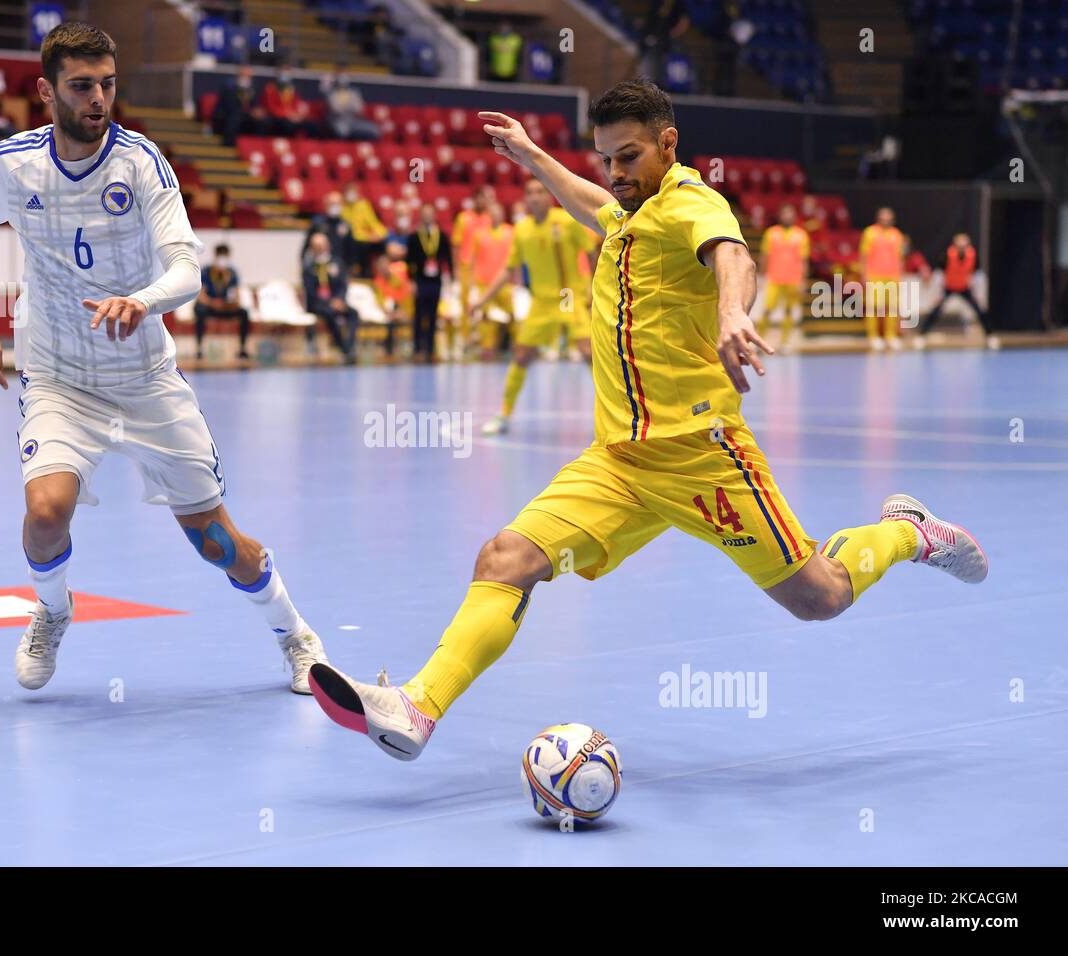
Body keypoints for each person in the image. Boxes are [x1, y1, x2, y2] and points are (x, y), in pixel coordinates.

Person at [305, 82, 988, 761]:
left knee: (820, 598)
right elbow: (595, 204)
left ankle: (907, 533)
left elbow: (732, 253)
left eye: (629, 156)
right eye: (606, 158)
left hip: (702, 457)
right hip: (620, 462)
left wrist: (731, 311)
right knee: (506, 559)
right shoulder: (627, 211)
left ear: (669, 143)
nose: (616, 172)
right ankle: (419, 706)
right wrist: (533, 156)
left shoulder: (693, 202)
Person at [0, 22, 327, 693]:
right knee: (44, 515)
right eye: (82, 86)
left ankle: (296, 636)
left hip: (144, 377)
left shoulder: (142, 162)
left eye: (107, 84)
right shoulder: (11, 165)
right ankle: (53, 611)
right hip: (60, 377)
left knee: (215, 542)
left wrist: (142, 301)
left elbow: (188, 268)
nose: (98, 98)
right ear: (46, 91)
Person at [472, 177, 597, 435]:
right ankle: (503, 415)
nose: (536, 197)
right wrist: (482, 300)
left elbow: (592, 253)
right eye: (530, 193)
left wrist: (596, 289)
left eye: (541, 191)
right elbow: (509, 270)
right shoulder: (522, 229)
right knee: (521, 356)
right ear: (525, 199)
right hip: (541, 302)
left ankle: (617, 416)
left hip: (569, 297)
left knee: (589, 354)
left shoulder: (567, 219)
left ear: (550, 195)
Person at [916, 232, 989, 347]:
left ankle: (989, 335)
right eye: (959, 243)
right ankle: (922, 335)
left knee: (979, 310)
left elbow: (976, 275)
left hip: (965, 288)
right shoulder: (947, 255)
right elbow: (939, 275)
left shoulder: (972, 255)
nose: (962, 246)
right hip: (949, 287)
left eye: (964, 243)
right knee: (936, 311)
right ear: (955, 244)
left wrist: (977, 292)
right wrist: (938, 293)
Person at [468, 201, 516, 359]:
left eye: (498, 212)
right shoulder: (479, 234)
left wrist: (518, 281)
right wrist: (472, 282)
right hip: (484, 283)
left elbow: (517, 259)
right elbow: (473, 260)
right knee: (485, 317)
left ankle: (516, 345)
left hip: (505, 283)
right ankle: (487, 348)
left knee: (512, 315)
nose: (495, 216)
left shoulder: (511, 232)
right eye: (492, 213)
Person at [757, 203, 808, 351]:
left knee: (789, 311)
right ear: (780, 216)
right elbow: (764, 256)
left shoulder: (801, 235)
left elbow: (803, 260)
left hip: (793, 279)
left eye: (790, 214)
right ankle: (760, 342)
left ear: (794, 216)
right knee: (767, 309)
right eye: (785, 214)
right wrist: (761, 276)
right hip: (774, 278)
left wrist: (803, 280)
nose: (788, 216)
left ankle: (785, 342)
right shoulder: (771, 233)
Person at [302, 232, 359, 363]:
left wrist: (339, 300)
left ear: (327, 245)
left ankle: (349, 346)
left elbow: (342, 285)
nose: (319, 248)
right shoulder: (309, 267)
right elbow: (310, 291)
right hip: (318, 305)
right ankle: (344, 349)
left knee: (353, 314)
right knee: (330, 314)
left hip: (337, 302)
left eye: (321, 245)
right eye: (316, 246)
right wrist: (328, 302)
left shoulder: (336, 263)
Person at [405, 202, 452, 363]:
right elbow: (408, 261)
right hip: (420, 280)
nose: (427, 216)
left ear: (434, 215)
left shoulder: (442, 235)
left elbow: (448, 258)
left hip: (436, 281)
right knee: (419, 315)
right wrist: (411, 281)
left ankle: (431, 349)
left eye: (430, 213)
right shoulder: (414, 237)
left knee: (433, 316)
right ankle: (418, 348)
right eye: (424, 213)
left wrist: (450, 277)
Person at [450, 186, 493, 350]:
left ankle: (485, 342)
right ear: (474, 200)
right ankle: (464, 337)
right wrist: (456, 268)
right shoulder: (463, 218)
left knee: (485, 303)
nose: (482, 201)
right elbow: (456, 244)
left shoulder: (489, 218)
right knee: (465, 303)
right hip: (466, 266)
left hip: (485, 267)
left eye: (485, 198)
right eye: (479, 198)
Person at [860, 206, 907, 351]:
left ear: (892, 220)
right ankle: (873, 337)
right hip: (875, 275)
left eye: (888, 218)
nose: (885, 220)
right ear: (878, 219)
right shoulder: (870, 233)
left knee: (892, 308)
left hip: (892, 276)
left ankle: (890, 336)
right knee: (874, 307)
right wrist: (864, 274)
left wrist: (900, 274)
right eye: (883, 218)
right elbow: (863, 255)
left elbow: (900, 257)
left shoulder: (897, 235)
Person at [195, 243, 251, 360]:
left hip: (225, 308)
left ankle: (242, 349)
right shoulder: (206, 272)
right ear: (215, 257)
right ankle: (199, 349)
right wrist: (213, 303)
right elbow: (201, 296)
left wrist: (229, 304)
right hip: (210, 307)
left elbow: (236, 297)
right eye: (220, 257)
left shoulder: (232, 273)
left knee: (244, 312)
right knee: (199, 310)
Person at [212, 65, 268, 147]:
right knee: (235, 117)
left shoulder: (253, 89)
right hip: (228, 113)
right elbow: (229, 105)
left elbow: (256, 104)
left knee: (262, 120)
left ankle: (257, 144)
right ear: (239, 75)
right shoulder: (229, 86)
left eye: (249, 76)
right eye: (245, 75)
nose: (247, 78)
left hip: (247, 114)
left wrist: (257, 111)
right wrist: (249, 111)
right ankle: (229, 143)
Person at [374, 238, 412, 357]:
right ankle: (388, 351)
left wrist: (401, 311)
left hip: (401, 308)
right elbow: (379, 300)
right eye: (381, 265)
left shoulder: (398, 277)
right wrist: (387, 312)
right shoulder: (378, 281)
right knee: (389, 322)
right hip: (386, 311)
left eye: (386, 265)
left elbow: (405, 294)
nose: (384, 268)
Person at [322, 65, 379, 141]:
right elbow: (335, 109)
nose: (343, 77)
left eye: (345, 74)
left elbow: (359, 109)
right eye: (340, 74)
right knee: (342, 131)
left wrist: (345, 107)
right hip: (338, 122)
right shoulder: (331, 93)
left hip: (354, 121)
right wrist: (350, 106)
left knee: (374, 129)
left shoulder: (354, 93)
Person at [302, 191, 354, 265]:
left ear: (342, 205)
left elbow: (351, 251)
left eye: (337, 203)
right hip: (318, 266)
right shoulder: (318, 223)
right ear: (326, 204)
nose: (334, 206)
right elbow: (306, 247)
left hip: (339, 267)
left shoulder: (346, 226)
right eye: (332, 203)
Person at [262, 67, 316, 138]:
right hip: (278, 117)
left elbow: (297, 103)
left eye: (288, 72)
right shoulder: (271, 88)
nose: (285, 75)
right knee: (288, 125)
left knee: (310, 125)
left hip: (292, 116)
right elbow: (271, 107)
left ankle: (306, 147)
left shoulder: (291, 88)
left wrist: (298, 115)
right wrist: (287, 114)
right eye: (283, 72)